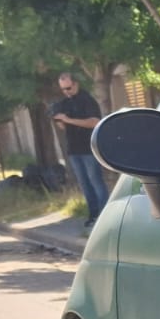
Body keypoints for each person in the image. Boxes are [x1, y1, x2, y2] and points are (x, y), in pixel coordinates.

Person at [49, 72, 107, 227]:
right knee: (84, 183)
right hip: (74, 150)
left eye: (68, 88)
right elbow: (63, 126)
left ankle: (104, 215)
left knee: (96, 181)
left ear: (76, 84)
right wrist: (58, 119)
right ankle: (93, 214)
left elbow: (94, 122)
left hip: (89, 148)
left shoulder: (87, 100)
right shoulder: (65, 103)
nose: (66, 92)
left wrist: (69, 120)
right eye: (63, 89)